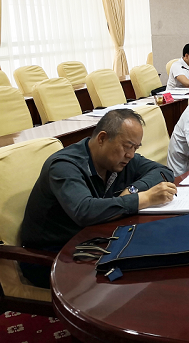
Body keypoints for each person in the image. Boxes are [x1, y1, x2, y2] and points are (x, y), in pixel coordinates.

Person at [20, 109, 177, 288]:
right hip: (52, 256)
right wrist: (144, 198)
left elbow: (163, 172)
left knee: (163, 252)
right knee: (139, 276)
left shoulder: (119, 160)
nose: (131, 155)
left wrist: (132, 190)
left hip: (93, 241)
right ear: (102, 138)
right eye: (127, 146)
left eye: (136, 148)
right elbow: (85, 211)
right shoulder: (64, 166)